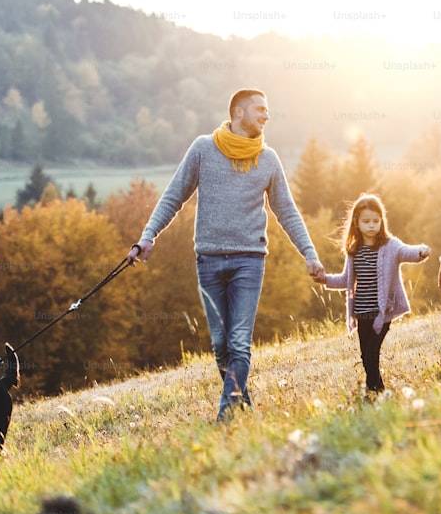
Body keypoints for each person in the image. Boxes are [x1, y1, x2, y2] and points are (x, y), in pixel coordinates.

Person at [128, 88, 325, 422]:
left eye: (267, 110)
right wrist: (148, 236)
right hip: (208, 260)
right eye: (260, 109)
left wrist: (310, 253)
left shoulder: (269, 159)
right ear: (238, 113)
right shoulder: (204, 149)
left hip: (249, 261)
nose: (266, 115)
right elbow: (174, 195)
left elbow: (287, 212)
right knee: (221, 345)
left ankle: (226, 417)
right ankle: (243, 406)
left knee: (238, 342)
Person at [317, 194, 430, 394]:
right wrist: (325, 279)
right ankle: (378, 389)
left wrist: (420, 251)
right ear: (356, 223)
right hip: (362, 312)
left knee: (371, 353)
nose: (371, 226)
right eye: (366, 221)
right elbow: (346, 280)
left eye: (376, 221)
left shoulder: (390, 246)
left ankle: (374, 391)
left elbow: (407, 252)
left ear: (382, 221)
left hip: (381, 313)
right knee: (365, 356)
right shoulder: (354, 250)